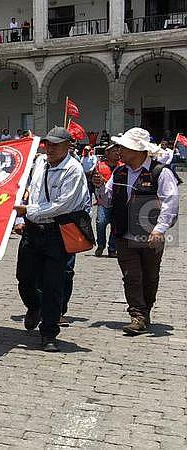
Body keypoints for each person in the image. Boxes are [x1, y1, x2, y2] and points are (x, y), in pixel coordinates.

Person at [93, 128, 179, 335]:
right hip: (124, 234)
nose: (119, 150)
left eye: (124, 147)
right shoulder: (119, 172)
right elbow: (107, 200)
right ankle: (137, 314)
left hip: (150, 235)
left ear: (138, 150)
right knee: (131, 276)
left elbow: (171, 203)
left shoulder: (161, 172)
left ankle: (145, 309)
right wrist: (99, 187)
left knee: (150, 276)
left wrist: (159, 229)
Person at [13, 127, 90, 352]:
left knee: (53, 283)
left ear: (68, 146)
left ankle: (49, 333)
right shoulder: (39, 163)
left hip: (57, 234)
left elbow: (62, 205)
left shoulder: (73, 170)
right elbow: (31, 191)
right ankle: (34, 306)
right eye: (49, 144)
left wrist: (27, 211)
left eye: (57, 144)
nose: (51, 148)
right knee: (24, 278)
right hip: (33, 231)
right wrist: (22, 218)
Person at [94, 144, 122, 257]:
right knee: (100, 222)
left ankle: (112, 248)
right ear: (107, 153)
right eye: (114, 151)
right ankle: (101, 244)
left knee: (115, 225)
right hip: (103, 201)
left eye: (118, 151)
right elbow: (94, 182)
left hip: (118, 201)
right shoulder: (99, 166)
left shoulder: (122, 166)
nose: (117, 153)